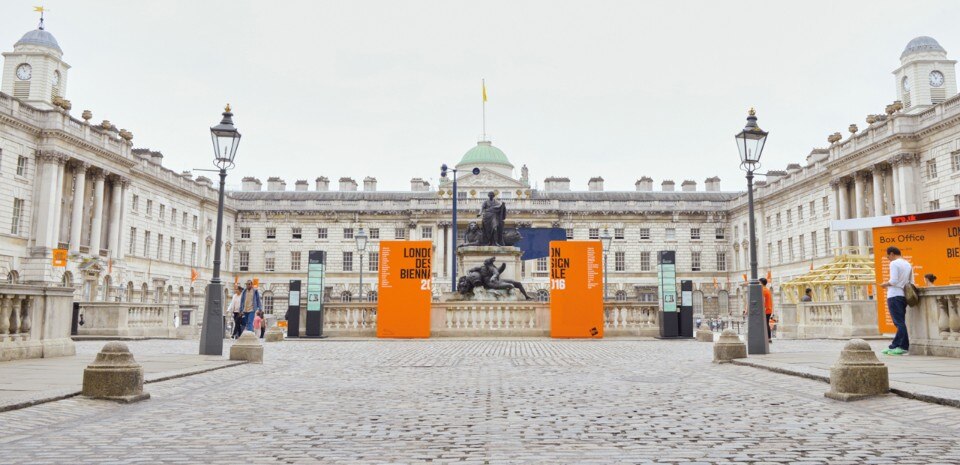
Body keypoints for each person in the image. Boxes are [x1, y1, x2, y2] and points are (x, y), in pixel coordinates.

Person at [880, 246, 912, 355]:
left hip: (894, 295)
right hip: (903, 296)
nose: (888, 258)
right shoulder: (908, 264)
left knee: (899, 322)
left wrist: (884, 284)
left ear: (892, 254)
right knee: (900, 322)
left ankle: (903, 346)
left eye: (888, 256)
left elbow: (893, 281)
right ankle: (894, 346)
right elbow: (911, 282)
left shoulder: (894, 263)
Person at [759, 277, 773, 343]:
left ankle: (767, 338)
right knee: (766, 323)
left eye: (759, 282)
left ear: (761, 283)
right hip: (768, 309)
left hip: (765, 310)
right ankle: (768, 338)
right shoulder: (767, 289)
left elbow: (763, 300)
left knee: (765, 324)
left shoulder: (763, 290)